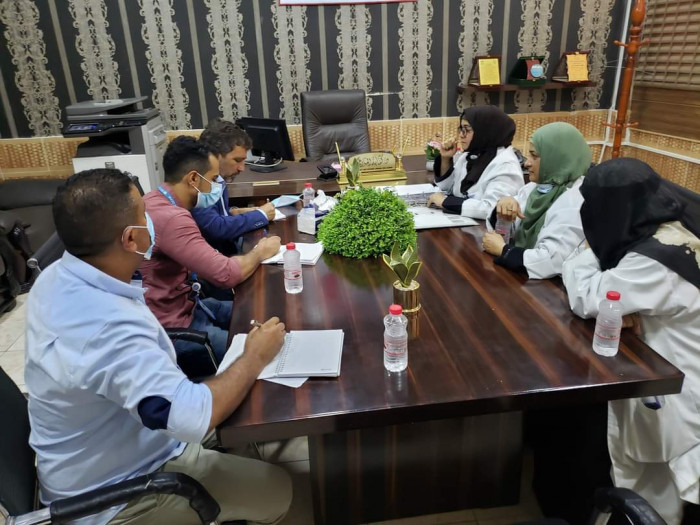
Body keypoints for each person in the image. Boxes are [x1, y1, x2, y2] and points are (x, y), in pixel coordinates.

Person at [25, 168, 292, 525]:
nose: (151, 219)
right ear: (130, 238)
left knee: (243, 422)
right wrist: (253, 357)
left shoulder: (57, 276)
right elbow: (189, 417)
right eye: (144, 214)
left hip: (103, 452)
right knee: (278, 490)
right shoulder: (108, 328)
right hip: (114, 496)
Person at [562, 158, 700, 525]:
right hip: (666, 367)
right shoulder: (668, 227)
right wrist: (621, 305)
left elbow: (587, 297)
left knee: (651, 494)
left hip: (676, 391)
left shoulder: (656, 261)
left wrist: (587, 252)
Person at [140, 136, 281, 362]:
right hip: (175, 330)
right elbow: (226, 274)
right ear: (193, 178)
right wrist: (260, 252)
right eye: (214, 179)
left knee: (265, 312)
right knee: (269, 351)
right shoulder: (171, 218)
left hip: (191, 305)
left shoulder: (154, 199)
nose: (216, 186)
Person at [482, 122, 591, 278]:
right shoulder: (536, 188)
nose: (527, 163)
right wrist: (503, 208)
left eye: (534, 156)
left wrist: (504, 250)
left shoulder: (575, 201)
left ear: (555, 158)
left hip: (551, 287)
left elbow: (551, 261)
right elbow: (509, 229)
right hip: (523, 276)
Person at [193, 118, 276, 256]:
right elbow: (216, 228)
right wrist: (261, 215)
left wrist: (234, 211)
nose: (242, 168)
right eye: (237, 161)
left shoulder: (219, 178)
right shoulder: (199, 183)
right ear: (214, 156)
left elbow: (217, 214)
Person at [426, 105, 523, 219]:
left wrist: (446, 202)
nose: (461, 135)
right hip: (466, 221)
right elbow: (447, 188)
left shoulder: (506, 165)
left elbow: (492, 208)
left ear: (484, 131)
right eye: (461, 129)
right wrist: (445, 159)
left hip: (486, 228)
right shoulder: (472, 155)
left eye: (467, 130)